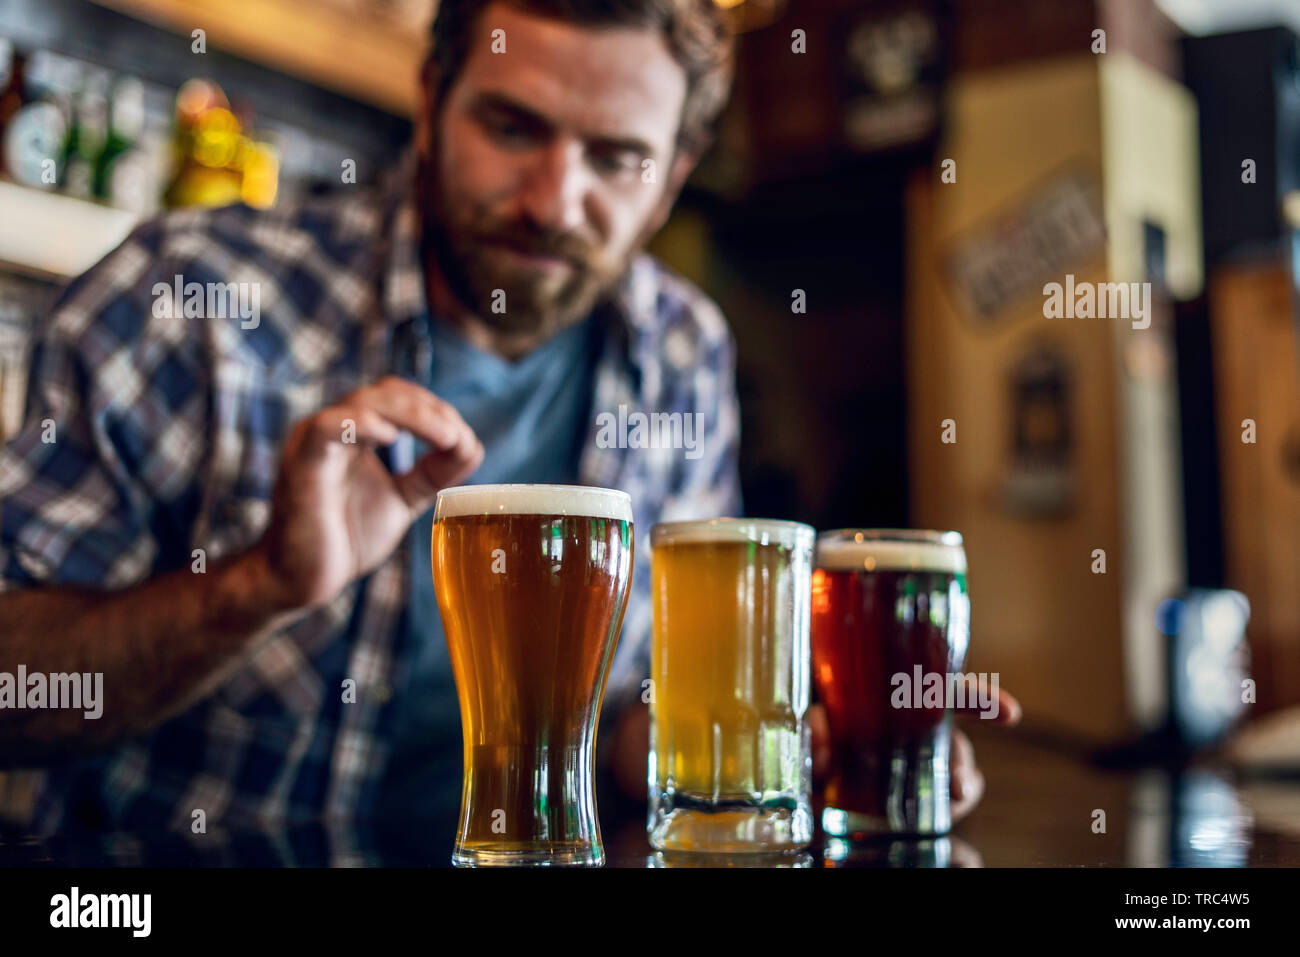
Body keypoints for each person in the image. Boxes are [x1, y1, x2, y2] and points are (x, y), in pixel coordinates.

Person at [0, 0, 1017, 844]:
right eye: (514, 128)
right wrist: (251, 590)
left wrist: (777, 742)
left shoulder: (681, 350)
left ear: (670, 174)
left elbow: (627, 726)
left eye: (616, 157)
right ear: (432, 100)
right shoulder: (189, 297)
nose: (552, 199)